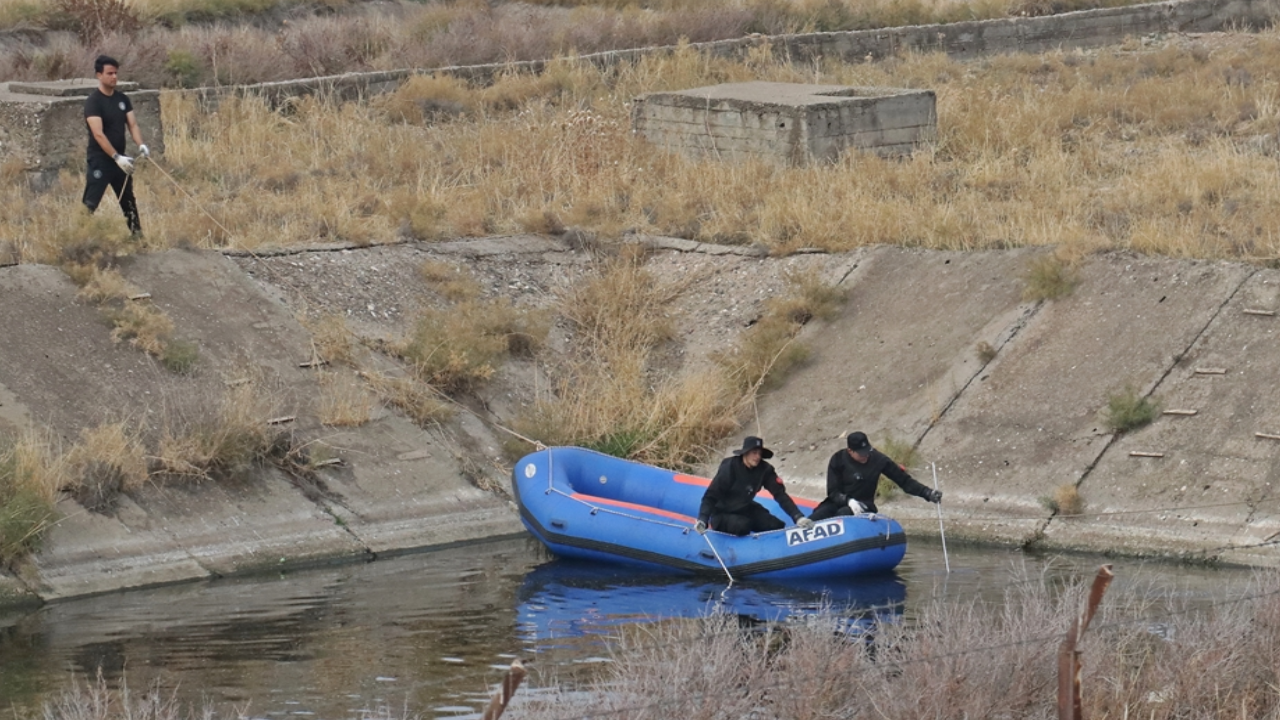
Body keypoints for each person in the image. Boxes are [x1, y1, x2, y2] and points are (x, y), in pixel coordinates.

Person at [695, 436, 815, 536]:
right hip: (722, 512)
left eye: (759, 453)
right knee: (743, 525)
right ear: (745, 453)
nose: (757, 457)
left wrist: (798, 517)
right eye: (754, 453)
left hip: (745, 507)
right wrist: (703, 519)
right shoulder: (730, 467)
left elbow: (780, 494)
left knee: (775, 525)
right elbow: (710, 496)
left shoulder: (765, 470)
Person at [83, 54, 148, 237]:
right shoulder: (93, 102)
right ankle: (79, 240)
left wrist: (141, 144)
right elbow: (98, 134)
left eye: (115, 73)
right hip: (101, 160)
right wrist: (115, 157)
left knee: (128, 200)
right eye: (109, 73)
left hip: (121, 160)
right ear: (99, 75)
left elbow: (132, 124)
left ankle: (137, 237)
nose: (114, 77)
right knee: (90, 203)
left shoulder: (122, 99)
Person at [809, 431, 941, 521]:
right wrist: (849, 500)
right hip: (838, 501)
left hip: (864, 504)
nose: (865, 456)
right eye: (861, 454)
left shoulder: (878, 460)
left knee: (843, 515)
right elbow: (833, 492)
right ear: (850, 451)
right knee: (817, 516)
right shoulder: (838, 459)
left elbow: (904, 481)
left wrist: (927, 493)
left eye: (867, 452)